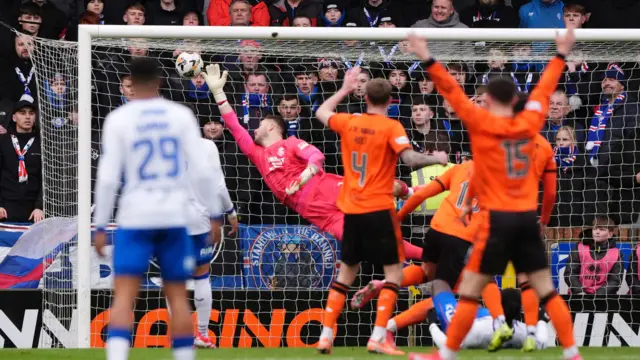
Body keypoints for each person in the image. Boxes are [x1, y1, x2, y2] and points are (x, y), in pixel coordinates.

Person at [406, 28, 581, 360]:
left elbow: (451, 90)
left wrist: (426, 56)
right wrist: (560, 54)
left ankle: (447, 354)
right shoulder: (531, 124)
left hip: (497, 221)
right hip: (527, 220)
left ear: (488, 100)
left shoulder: (480, 124)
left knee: (470, 291)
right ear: (516, 100)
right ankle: (572, 352)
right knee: (545, 289)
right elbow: (544, 90)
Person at [203, 64, 439, 261]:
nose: (254, 128)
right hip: (316, 212)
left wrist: (304, 176)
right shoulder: (257, 154)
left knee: (384, 188)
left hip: (324, 188)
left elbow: (317, 157)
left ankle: (415, 191)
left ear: (271, 126)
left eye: (260, 124)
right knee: (370, 242)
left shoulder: (292, 142)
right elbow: (233, 125)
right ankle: (429, 256)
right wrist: (218, 94)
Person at [93, 58, 225, 360]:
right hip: (173, 216)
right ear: (159, 82)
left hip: (135, 216)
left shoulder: (119, 119)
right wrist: (216, 214)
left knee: (124, 296)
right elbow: (204, 173)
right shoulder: (180, 116)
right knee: (177, 295)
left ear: (131, 85)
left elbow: (108, 178)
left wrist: (100, 225)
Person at [313, 69, 448, 355]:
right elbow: (409, 159)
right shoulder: (391, 127)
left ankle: (326, 335)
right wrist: (435, 158)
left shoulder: (349, 121)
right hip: (379, 209)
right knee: (393, 274)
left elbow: (322, 111)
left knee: (347, 272)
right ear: (390, 100)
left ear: (365, 97)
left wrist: (345, 88)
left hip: (351, 210)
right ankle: (376, 337)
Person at [188, 137, 237, 349]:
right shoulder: (206, 146)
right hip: (198, 220)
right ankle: (202, 334)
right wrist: (230, 212)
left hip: (168, 219)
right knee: (201, 276)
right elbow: (218, 184)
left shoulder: (160, 143)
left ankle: (179, 336)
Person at [428, 289, 549, 350]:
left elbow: (448, 346)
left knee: (439, 287)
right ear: (519, 311)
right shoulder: (521, 332)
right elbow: (541, 342)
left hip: (474, 320)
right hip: (483, 317)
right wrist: (542, 320)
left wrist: (432, 324)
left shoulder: (479, 331)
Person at [0, 95, 44, 223]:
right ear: (14, 117)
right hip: (5, 209)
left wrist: (39, 207)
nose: (27, 117)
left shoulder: (43, 144)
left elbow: (45, 179)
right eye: (22, 113)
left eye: (31, 113)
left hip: (34, 212)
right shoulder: (3, 142)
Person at [564, 215, 624, 295]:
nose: (597, 232)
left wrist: (597, 296)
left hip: (603, 299)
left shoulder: (617, 254)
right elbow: (570, 273)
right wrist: (580, 292)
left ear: (610, 234)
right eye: (595, 229)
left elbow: (615, 281)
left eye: (602, 229)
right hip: (578, 296)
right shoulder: (579, 248)